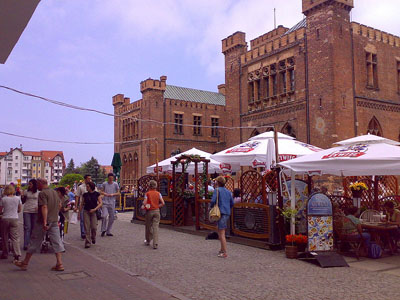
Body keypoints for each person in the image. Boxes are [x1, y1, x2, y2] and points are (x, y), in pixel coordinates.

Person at [14, 178, 65, 271]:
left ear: (41, 183)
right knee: (57, 241)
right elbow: (59, 205)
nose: (36, 186)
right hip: (53, 220)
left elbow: (44, 206)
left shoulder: (42, 193)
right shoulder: (54, 192)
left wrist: (45, 221)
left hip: (43, 222)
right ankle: (60, 263)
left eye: (37, 184)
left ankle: (25, 263)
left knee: (34, 241)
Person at [210, 176, 234, 258]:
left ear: (218, 183)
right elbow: (232, 203)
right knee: (220, 230)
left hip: (220, 212)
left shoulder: (217, 190)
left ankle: (224, 252)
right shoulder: (228, 192)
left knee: (222, 232)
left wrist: (211, 207)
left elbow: (213, 201)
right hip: (227, 212)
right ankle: (221, 249)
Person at [0, 185, 22, 261]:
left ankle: (5, 253)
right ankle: (17, 254)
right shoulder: (18, 198)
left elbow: (0, 210)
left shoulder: (3, 199)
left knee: (4, 236)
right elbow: (19, 210)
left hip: (5, 219)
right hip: (14, 218)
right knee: (15, 237)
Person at [142, 180, 165, 249]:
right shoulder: (158, 193)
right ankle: (155, 243)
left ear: (149, 186)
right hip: (157, 211)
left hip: (149, 211)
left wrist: (144, 205)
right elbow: (163, 203)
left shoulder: (147, 193)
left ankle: (148, 240)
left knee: (148, 226)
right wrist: (157, 206)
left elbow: (144, 202)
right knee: (156, 227)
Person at [80, 181, 102, 248]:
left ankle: (93, 237)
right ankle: (87, 242)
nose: (86, 187)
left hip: (94, 212)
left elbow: (101, 203)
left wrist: (95, 209)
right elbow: (82, 203)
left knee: (94, 227)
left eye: (88, 186)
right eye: (86, 186)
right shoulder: (85, 195)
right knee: (87, 227)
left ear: (91, 187)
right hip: (86, 211)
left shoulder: (96, 194)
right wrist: (79, 212)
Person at [21, 179, 39, 250]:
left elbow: (40, 201)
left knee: (34, 228)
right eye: (29, 184)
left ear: (34, 185)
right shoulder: (26, 192)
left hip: (35, 211)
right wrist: (22, 196)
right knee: (27, 227)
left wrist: (39, 207)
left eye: (31, 184)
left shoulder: (38, 192)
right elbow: (23, 202)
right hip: (27, 210)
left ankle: (32, 244)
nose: (29, 185)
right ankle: (26, 244)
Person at [75, 175, 93, 239]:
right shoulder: (80, 187)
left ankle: (88, 232)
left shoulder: (92, 186)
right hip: (82, 205)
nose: (90, 179)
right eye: (88, 178)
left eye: (90, 178)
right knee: (82, 219)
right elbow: (77, 196)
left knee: (90, 220)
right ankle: (83, 233)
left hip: (91, 205)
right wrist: (76, 206)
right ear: (85, 179)